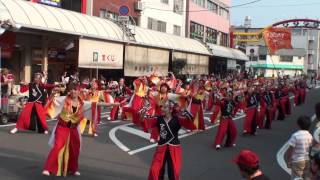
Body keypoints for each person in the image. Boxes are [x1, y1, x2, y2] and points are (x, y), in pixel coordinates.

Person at [144, 100, 196, 180]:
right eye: (162, 107)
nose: (162, 109)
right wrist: (143, 112)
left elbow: (190, 122)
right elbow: (145, 122)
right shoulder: (158, 118)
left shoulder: (178, 119)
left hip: (174, 148)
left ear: (171, 110)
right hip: (161, 147)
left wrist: (185, 111)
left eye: (165, 107)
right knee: (155, 169)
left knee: (173, 171)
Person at [42, 83, 83, 176]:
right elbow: (52, 101)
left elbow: (95, 104)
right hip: (62, 127)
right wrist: (52, 94)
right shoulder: (64, 99)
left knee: (75, 149)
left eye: (75, 89)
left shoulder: (82, 102)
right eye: (71, 89)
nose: (73, 91)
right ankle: (48, 168)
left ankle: (73, 169)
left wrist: (114, 104)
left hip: (74, 128)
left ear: (78, 91)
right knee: (57, 147)